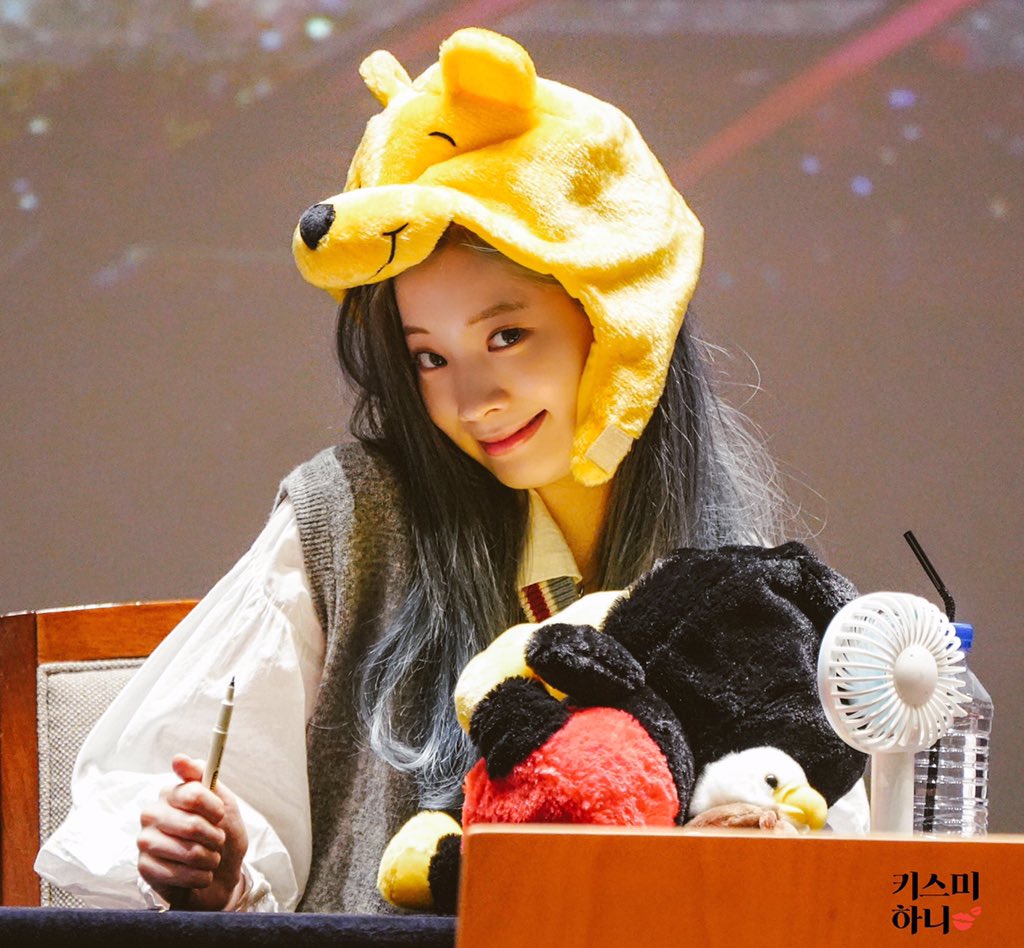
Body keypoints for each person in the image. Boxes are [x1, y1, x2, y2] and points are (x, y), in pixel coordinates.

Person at [35, 27, 866, 914]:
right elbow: (195, 794)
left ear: (623, 316)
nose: (472, 400)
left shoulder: (737, 575)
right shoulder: (348, 521)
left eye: (506, 336)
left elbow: (836, 846)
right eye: (428, 357)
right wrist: (217, 870)